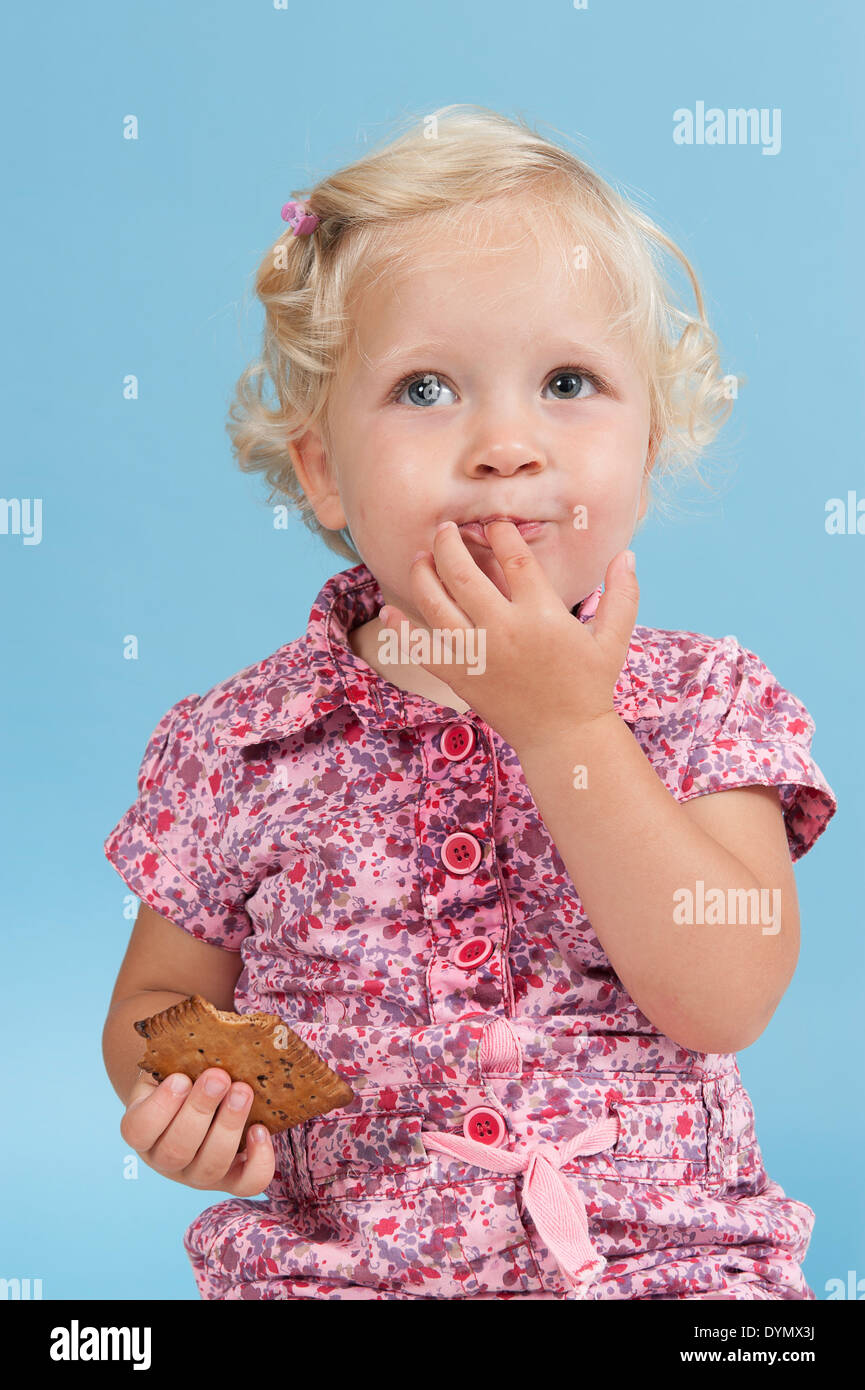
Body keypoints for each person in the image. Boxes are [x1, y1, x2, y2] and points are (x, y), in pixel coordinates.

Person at [102, 104, 837, 1300]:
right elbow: (156, 998)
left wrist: (566, 727)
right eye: (427, 386)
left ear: (648, 440)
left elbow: (725, 993)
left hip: (670, 1277)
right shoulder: (237, 741)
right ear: (323, 464)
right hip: (349, 1275)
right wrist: (177, 1096)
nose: (504, 443)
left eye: (567, 382)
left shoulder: (706, 698)